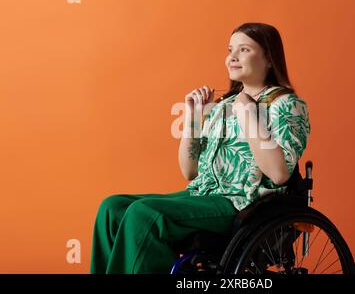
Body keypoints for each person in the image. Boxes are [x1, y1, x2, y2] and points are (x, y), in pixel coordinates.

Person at [90, 22, 311, 273]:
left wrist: (249, 113)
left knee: (145, 215)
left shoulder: (286, 104)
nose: (233, 57)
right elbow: (190, 172)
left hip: (241, 203)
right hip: (203, 194)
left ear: (269, 59)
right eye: (230, 50)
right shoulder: (222, 105)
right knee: (112, 208)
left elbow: (279, 174)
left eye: (244, 50)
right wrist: (193, 117)